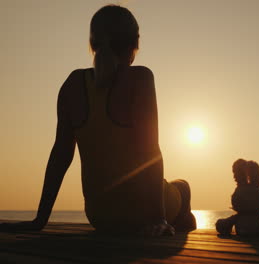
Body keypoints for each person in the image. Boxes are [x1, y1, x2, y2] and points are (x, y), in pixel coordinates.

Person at [0, 5, 196, 236]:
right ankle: (182, 216)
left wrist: (39, 219)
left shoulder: (72, 83)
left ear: (92, 43)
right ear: (135, 44)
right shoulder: (140, 78)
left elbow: (60, 156)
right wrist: (158, 218)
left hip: (100, 216)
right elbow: (150, 151)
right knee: (182, 187)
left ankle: (180, 218)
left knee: (175, 193)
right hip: (142, 215)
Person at [216, 159, 259, 235]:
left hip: (242, 226)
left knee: (220, 224)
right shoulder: (258, 191)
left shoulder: (240, 191)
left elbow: (221, 227)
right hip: (257, 223)